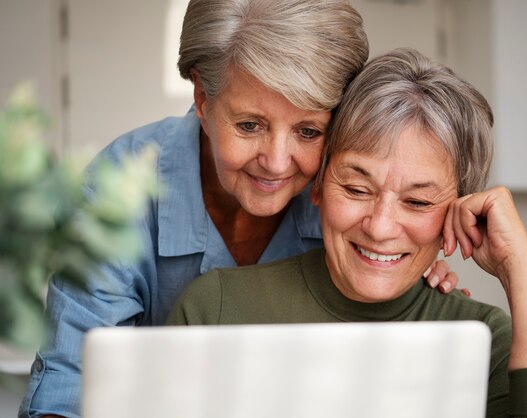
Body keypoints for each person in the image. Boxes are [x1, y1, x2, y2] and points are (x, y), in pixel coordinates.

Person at [19, 2, 460, 417]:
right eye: (250, 125)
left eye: (308, 131)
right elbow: (72, 382)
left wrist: (410, 284)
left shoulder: (346, 196)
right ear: (203, 98)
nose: (277, 161)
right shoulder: (121, 186)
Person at [167, 48, 527, 417]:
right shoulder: (214, 310)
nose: (380, 226)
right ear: (319, 184)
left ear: (459, 209)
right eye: (356, 189)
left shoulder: (484, 340)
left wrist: (521, 268)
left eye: (419, 202)